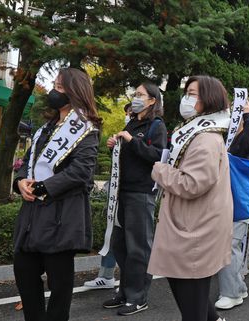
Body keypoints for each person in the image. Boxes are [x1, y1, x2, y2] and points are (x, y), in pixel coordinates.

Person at [13, 68, 101, 321]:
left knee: (59, 289)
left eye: (60, 87)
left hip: (61, 216)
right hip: (31, 216)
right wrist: (20, 183)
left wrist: (42, 187)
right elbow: (27, 163)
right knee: (25, 275)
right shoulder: (45, 128)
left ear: (75, 91)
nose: (54, 91)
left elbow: (81, 172)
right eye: (54, 85)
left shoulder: (86, 128)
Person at [148, 75, 232, 321]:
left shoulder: (205, 138)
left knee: (191, 299)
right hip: (192, 222)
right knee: (189, 292)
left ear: (209, 99)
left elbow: (192, 183)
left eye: (193, 93)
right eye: (187, 92)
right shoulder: (198, 132)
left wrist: (160, 170)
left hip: (195, 227)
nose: (186, 98)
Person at [101, 82, 167, 316]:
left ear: (152, 100)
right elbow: (128, 155)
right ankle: (125, 292)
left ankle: (138, 296)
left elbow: (158, 156)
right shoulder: (132, 122)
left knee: (139, 246)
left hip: (141, 193)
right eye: (135, 94)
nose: (135, 97)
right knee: (120, 244)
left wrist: (131, 140)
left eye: (140, 95)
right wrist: (115, 146)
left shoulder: (156, 126)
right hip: (121, 192)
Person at [215, 100, 249, 310]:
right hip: (225, 199)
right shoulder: (227, 138)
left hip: (238, 200)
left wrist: (248, 116)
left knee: (229, 246)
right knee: (230, 246)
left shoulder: (245, 136)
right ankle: (239, 288)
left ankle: (230, 293)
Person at [85, 103, 133, 291]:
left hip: (134, 194)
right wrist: (115, 147)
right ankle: (105, 275)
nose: (129, 115)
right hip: (116, 192)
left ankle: (131, 283)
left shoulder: (152, 129)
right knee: (111, 233)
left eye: (131, 112)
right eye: (127, 112)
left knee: (129, 240)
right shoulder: (125, 131)